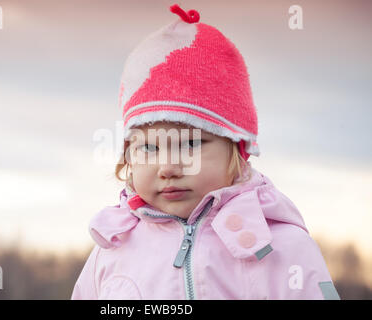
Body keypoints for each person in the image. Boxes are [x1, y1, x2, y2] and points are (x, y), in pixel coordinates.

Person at [71, 4, 340, 300]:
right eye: (148, 147)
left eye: (191, 144)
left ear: (237, 149)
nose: (168, 167)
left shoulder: (282, 248)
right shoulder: (113, 249)